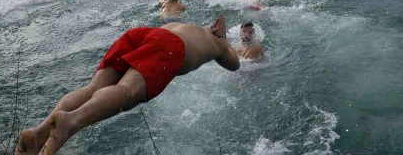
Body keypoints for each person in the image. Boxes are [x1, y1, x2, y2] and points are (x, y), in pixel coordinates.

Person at [15, 15, 240, 155]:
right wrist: (223, 39)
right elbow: (235, 65)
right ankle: (70, 121)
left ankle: (39, 133)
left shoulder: (188, 27)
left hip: (144, 33)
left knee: (92, 90)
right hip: (169, 45)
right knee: (127, 91)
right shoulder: (218, 43)